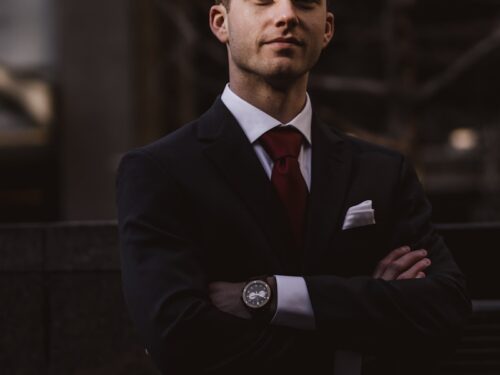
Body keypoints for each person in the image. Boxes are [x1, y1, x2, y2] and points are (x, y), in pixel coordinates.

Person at [116, 0, 471, 374]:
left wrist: (268, 296)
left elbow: (445, 310)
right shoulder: (159, 171)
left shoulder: (383, 171)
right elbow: (178, 339)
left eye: (305, 3)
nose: (286, 15)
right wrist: (357, 339)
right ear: (221, 23)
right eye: (262, 1)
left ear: (327, 29)